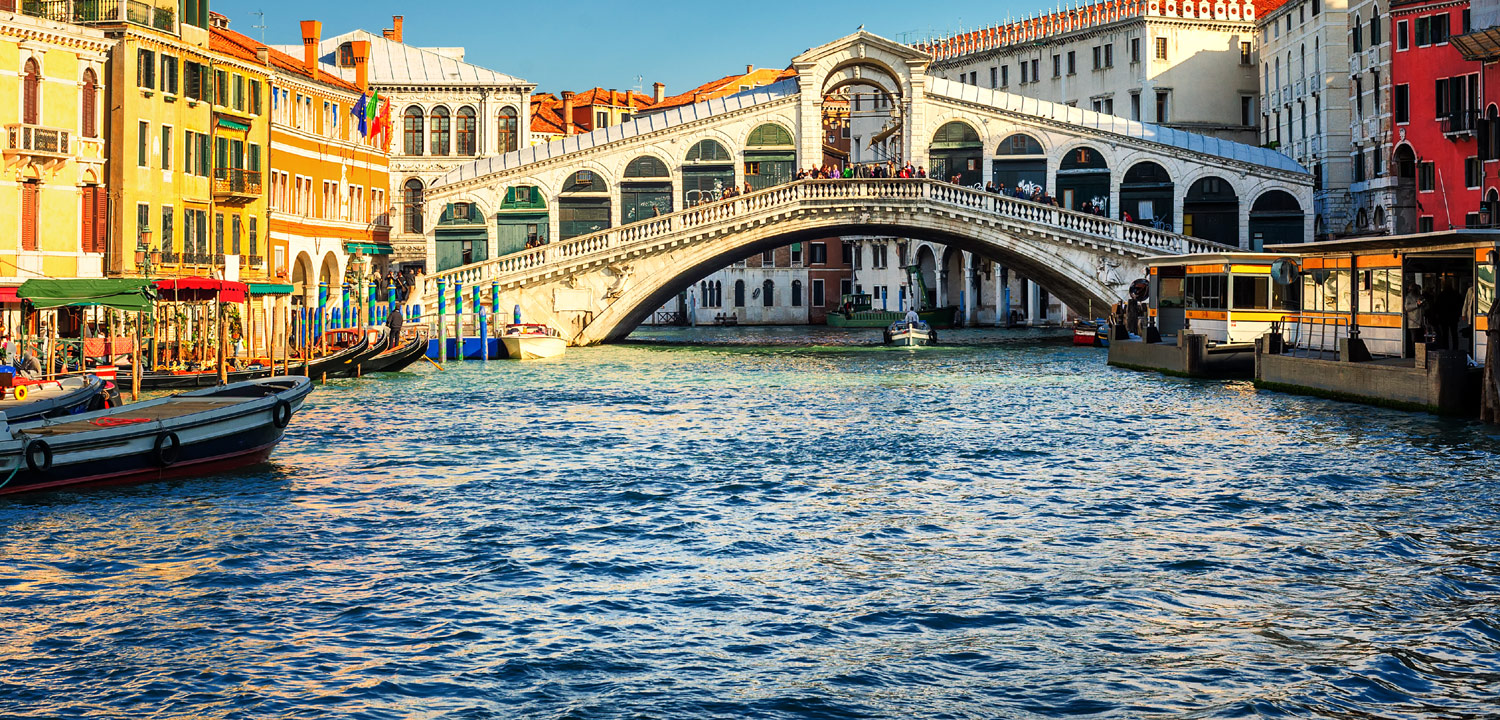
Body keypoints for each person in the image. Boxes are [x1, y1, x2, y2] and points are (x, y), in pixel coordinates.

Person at [1404, 282, 1425, 357]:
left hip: (1420, 321)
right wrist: (1416, 304)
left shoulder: (1420, 296)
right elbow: (1407, 307)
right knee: (1414, 339)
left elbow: (1426, 306)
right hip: (1413, 321)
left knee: (1420, 338)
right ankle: (1414, 353)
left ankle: (1420, 353)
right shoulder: (1408, 297)